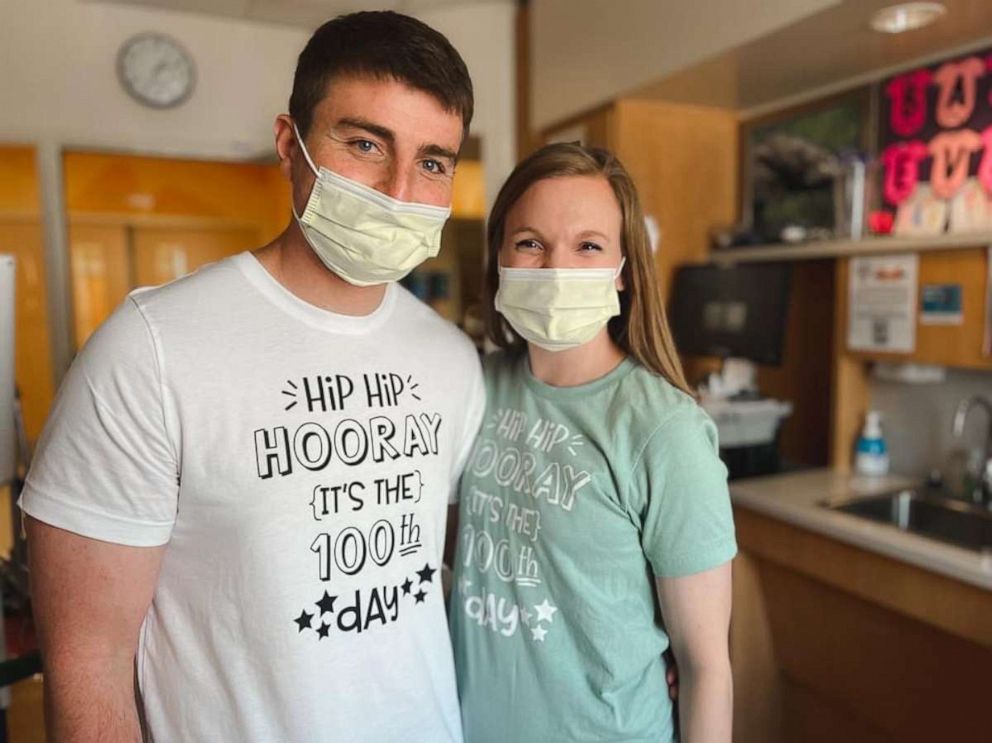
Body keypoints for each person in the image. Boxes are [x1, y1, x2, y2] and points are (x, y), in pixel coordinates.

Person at [20, 12, 486, 742]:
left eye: (432, 161)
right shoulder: (152, 350)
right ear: (289, 145)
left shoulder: (452, 359)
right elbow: (90, 664)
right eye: (365, 142)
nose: (398, 189)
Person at [449, 143, 737, 743]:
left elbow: (706, 667)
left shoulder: (665, 431)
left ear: (624, 270)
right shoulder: (473, 387)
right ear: (499, 255)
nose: (557, 269)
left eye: (588, 246)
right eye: (530, 243)